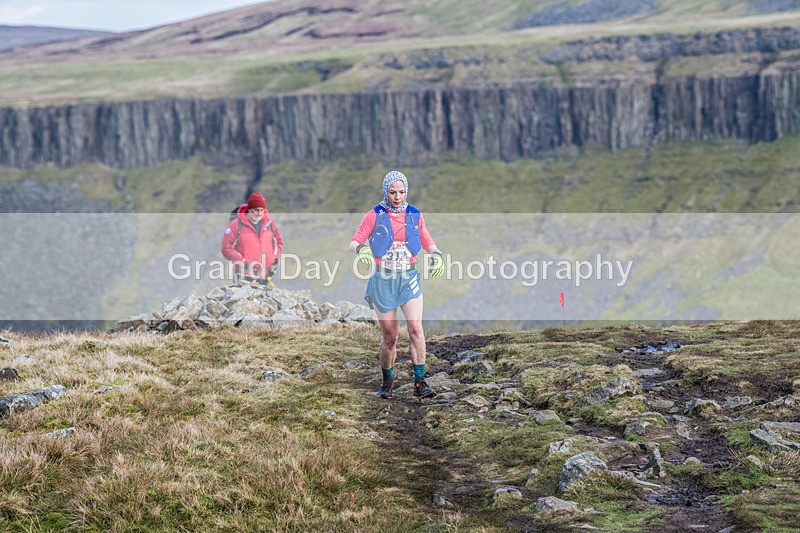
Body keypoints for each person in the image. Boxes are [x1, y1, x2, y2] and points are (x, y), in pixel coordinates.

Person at [350, 170, 445, 399]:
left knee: (415, 329)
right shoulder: (374, 214)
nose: (398, 197)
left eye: (402, 192)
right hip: (383, 280)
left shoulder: (414, 214)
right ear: (386, 192)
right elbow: (354, 241)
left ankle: (420, 383)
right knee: (391, 336)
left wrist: (437, 254)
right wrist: (362, 249)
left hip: (409, 278)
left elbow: (427, 240)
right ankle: (387, 383)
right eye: (392, 192)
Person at [222, 191, 283, 285]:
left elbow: (278, 242)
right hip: (243, 274)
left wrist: (274, 257)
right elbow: (226, 248)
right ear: (249, 209)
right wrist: (241, 260)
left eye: (261, 210)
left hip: (265, 275)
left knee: (262, 299)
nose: (259, 213)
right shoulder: (236, 225)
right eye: (256, 210)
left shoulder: (269, 223)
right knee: (244, 299)